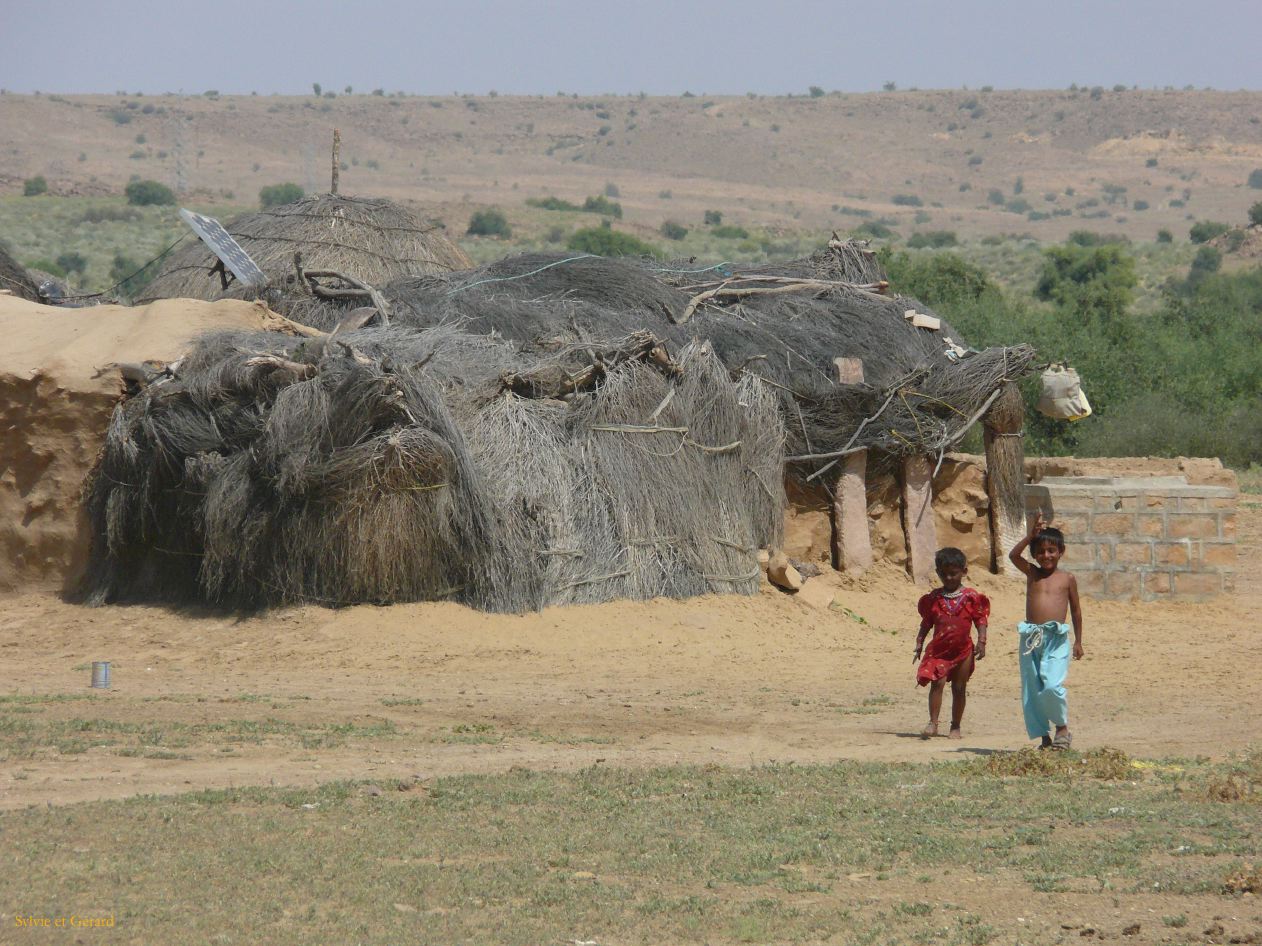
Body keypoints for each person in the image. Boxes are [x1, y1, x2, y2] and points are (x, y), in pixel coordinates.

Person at [1008, 514, 1085, 750]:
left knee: (1052, 685)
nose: (1046, 556)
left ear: (1061, 551)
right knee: (1032, 689)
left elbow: (1076, 611)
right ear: (1034, 554)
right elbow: (1013, 556)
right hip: (1031, 638)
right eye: (1040, 551)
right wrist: (1029, 536)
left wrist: (1078, 642)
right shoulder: (1032, 573)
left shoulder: (1067, 578)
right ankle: (1044, 736)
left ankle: (1062, 728)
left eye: (1052, 550)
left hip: (1056, 639)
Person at [913, 547, 990, 740]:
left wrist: (982, 641)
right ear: (938, 573)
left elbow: (980, 620)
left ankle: (955, 726)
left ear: (964, 571)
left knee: (959, 688)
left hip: (963, 650)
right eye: (944, 574)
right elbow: (927, 623)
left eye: (953, 574)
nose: (949, 578)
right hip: (939, 650)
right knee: (936, 684)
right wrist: (919, 643)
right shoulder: (934, 599)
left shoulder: (971, 597)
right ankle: (933, 722)